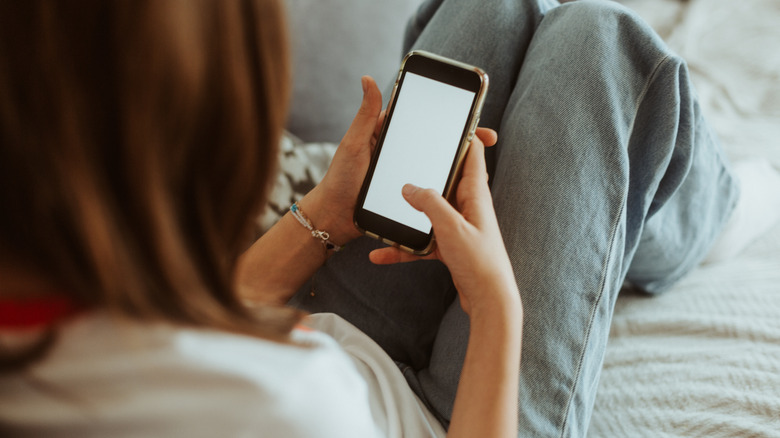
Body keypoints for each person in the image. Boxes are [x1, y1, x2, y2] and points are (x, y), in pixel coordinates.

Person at [0, 0, 738, 437]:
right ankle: (713, 218)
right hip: (460, 415)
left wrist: (326, 214)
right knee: (601, 42)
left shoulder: (51, 315)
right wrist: (496, 309)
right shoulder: (283, 408)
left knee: (496, 9)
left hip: (327, 318)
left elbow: (201, 324)